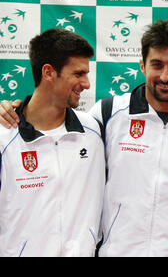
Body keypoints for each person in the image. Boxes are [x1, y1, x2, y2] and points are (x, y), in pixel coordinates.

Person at [0, 20, 168, 257]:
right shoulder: (106, 114)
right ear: (142, 66)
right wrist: (14, 111)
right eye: (156, 65)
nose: (165, 76)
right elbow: (51, 124)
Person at [0, 28, 105, 257]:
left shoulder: (95, 130)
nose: (86, 84)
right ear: (48, 72)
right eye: (78, 74)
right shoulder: (4, 137)